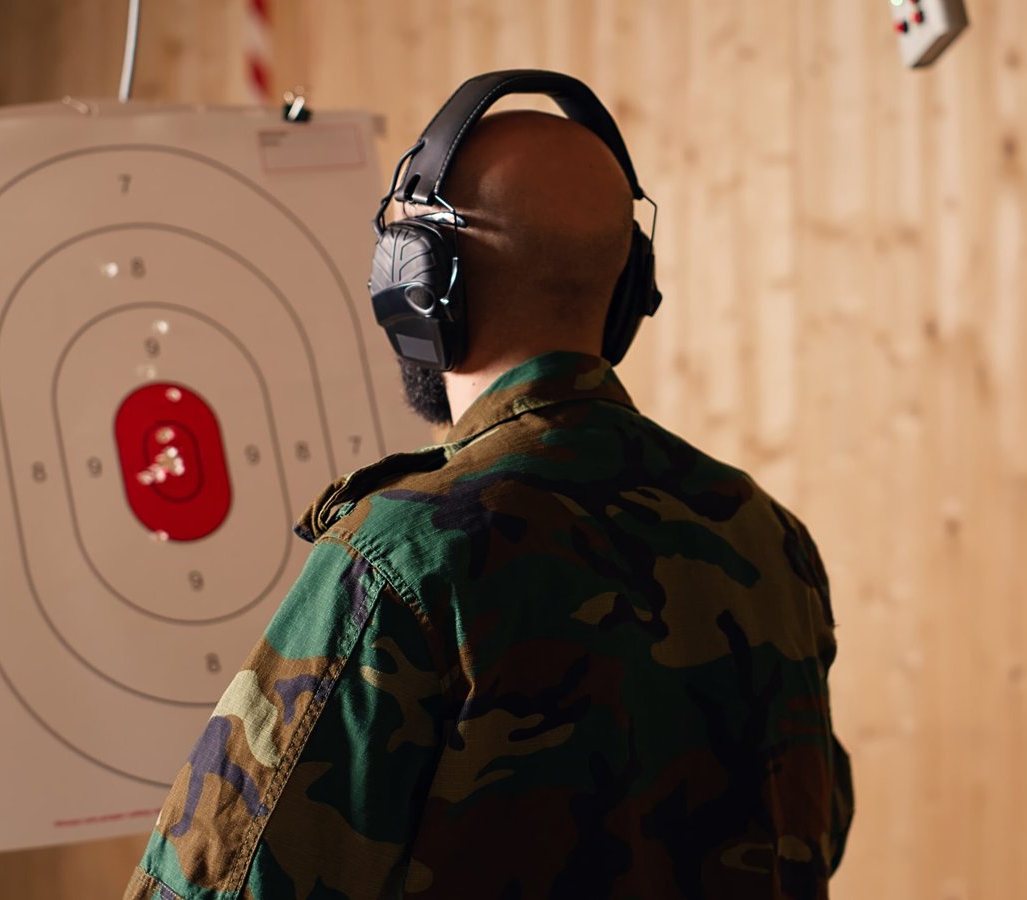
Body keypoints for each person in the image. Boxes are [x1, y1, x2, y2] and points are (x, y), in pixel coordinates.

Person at [125, 74, 852, 900]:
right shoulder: (769, 539)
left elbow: (221, 880)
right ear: (627, 290)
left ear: (414, 283)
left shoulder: (404, 556)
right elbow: (809, 838)